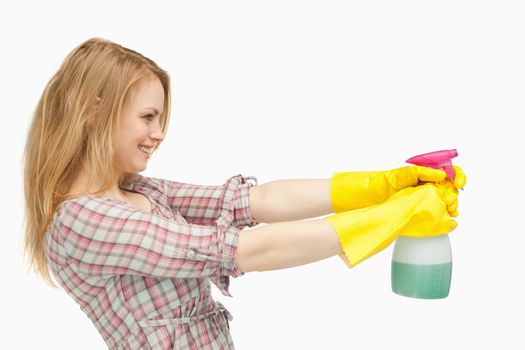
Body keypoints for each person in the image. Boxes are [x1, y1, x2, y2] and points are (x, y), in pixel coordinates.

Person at [22, 37, 466, 350]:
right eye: (148, 117)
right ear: (95, 111)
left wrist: (384, 185)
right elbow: (245, 250)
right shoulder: (83, 221)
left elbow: (254, 204)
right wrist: (388, 220)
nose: (159, 134)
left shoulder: (138, 191)